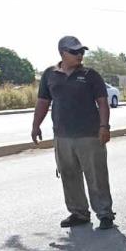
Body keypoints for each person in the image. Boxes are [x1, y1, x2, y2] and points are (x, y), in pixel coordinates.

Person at [32, 36, 115, 230]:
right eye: (75, 52)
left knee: (96, 176)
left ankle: (105, 213)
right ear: (62, 53)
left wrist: (104, 127)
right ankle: (78, 213)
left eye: (82, 52)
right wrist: (36, 125)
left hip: (89, 135)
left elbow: (102, 102)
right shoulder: (49, 75)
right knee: (69, 175)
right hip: (62, 136)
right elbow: (43, 102)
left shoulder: (90, 75)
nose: (80, 55)